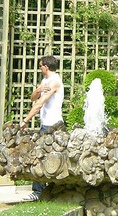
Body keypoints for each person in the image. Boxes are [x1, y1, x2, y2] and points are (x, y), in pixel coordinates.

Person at [19, 55, 64, 201]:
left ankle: (38, 192)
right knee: (42, 156)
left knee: (39, 156)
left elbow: (40, 104)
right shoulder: (45, 81)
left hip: (53, 125)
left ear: (46, 66)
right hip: (45, 124)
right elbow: (33, 98)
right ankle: (43, 191)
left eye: (40, 65)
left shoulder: (55, 82)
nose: (39, 68)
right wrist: (37, 90)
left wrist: (25, 120)